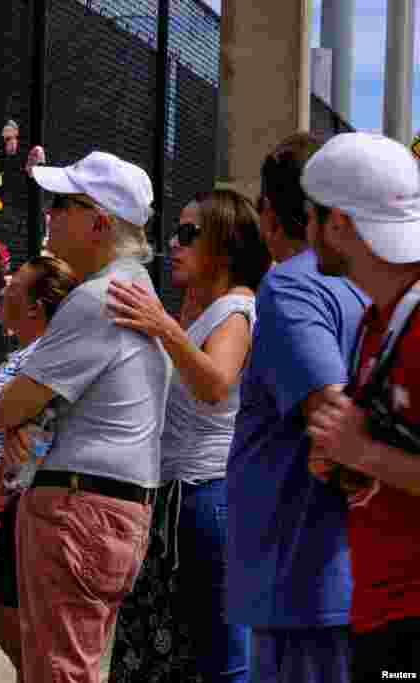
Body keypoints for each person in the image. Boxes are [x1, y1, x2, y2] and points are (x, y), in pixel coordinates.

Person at [0, 151, 172, 683]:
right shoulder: (138, 288)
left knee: (57, 673)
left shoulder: (98, 298)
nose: (48, 214)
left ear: (99, 222)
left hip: (78, 511)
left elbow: (13, 404)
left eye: (61, 204)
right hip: (113, 508)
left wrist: (22, 420)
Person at [106, 189, 272, 683]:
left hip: (207, 498)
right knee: (181, 653)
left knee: (222, 659)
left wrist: (165, 329)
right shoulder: (204, 309)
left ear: (223, 244)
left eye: (188, 234)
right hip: (181, 499)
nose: (173, 245)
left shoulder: (237, 310)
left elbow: (216, 386)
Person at [225, 132, 367, 683]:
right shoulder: (364, 288)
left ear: (269, 214)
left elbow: (335, 421)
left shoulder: (292, 287)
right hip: (336, 584)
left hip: (306, 589)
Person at [301, 132, 420, 680]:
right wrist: (349, 465)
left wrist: (361, 451)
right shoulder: (381, 319)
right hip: (382, 611)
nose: (305, 230)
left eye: (313, 214)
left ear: (341, 223)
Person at [0, 256, 80, 680]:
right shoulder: (27, 355)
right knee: (27, 660)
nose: (3, 290)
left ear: (35, 306)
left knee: (34, 660)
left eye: (13, 286)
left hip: (9, 516)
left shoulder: (44, 359)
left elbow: (32, 439)